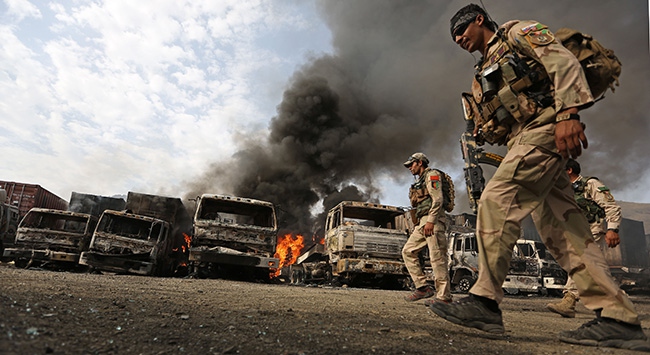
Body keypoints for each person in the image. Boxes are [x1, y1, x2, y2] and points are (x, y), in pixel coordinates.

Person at [427, 3, 648, 351]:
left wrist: (568, 113)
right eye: (454, 36)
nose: (457, 39)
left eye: (461, 30)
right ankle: (617, 318)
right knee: (563, 232)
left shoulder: (516, 33)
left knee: (497, 199)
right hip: (524, 138)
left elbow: (560, 60)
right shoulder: (481, 70)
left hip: (545, 128)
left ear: (479, 19)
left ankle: (484, 301)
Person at [547, 158, 622, 317]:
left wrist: (612, 229)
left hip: (593, 228)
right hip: (576, 231)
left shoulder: (590, 184)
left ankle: (570, 299)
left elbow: (611, 206)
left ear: (569, 170)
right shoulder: (562, 189)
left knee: (580, 261)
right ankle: (617, 303)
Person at [401, 152, 452, 304]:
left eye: (411, 164)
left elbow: (438, 199)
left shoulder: (432, 175)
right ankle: (423, 287)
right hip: (423, 223)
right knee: (408, 251)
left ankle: (444, 297)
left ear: (420, 163)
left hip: (433, 222)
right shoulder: (420, 180)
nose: (410, 168)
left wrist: (431, 221)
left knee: (437, 258)